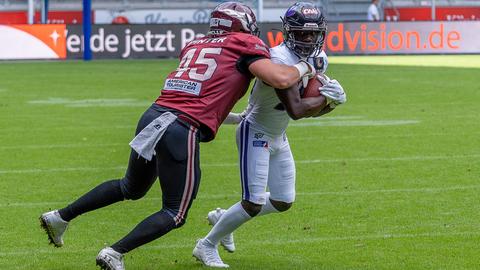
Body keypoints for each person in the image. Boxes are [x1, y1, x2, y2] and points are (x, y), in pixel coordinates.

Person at [38, 2, 317, 270]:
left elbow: (201, 94)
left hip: (154, 115)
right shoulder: (244, 44)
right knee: (175, 212)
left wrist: (233, 118)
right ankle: (114, 253)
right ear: (243, 27)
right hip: (180, 127)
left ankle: (60, 217)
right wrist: (306, 66)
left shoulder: (195, 44)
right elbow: (281, 79)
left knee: (130, 187)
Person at [192, 2, 347, 268]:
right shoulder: (277, 59)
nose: (308, 38)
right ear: (288, 32)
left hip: (278, 135)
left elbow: (309, 112)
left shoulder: (319, 58)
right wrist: (328, 100)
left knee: (283, 200)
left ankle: (223, 218)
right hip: (255, 132)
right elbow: (297, 109)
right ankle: (205, 245)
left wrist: (330, 105)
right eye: (301, 33)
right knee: (251, 204)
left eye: (312, 33)